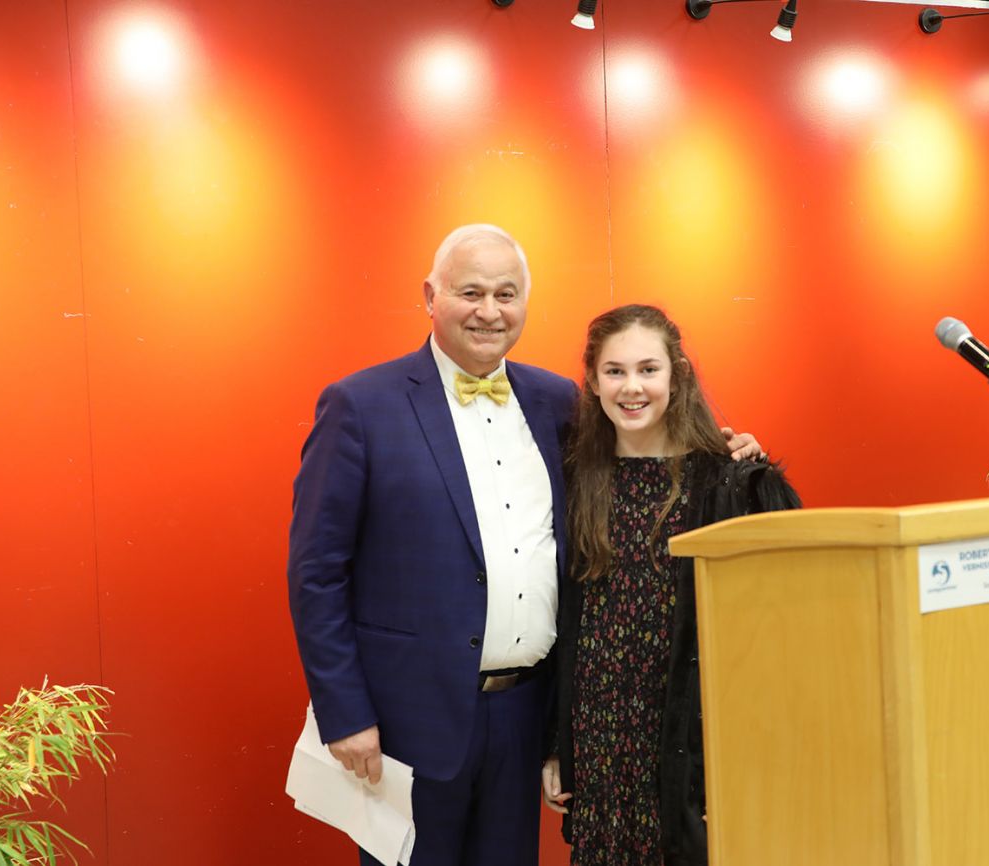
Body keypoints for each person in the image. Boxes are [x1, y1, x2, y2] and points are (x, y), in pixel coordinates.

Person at [287, 226, 759, 866]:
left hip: (522, 716)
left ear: (525, 303)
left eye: (506, 294)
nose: (489, 311)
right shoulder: (361, 406)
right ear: (431, 295)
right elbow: (317, 575)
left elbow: (640, 456)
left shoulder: (557, 402)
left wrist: (728, 455)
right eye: (470, 292)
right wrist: (345, 713)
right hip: (408, 724)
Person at [541, 304, 801, 866]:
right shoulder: (571, 479)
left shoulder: (734, 482)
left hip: (691, 745)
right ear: (591, 379)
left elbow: (779, 640)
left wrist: (753, 759)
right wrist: (558, 742)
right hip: (602, 741)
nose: (631, 387)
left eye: (648, 369)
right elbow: (561, 625)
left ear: (677, 374)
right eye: (614, 371)